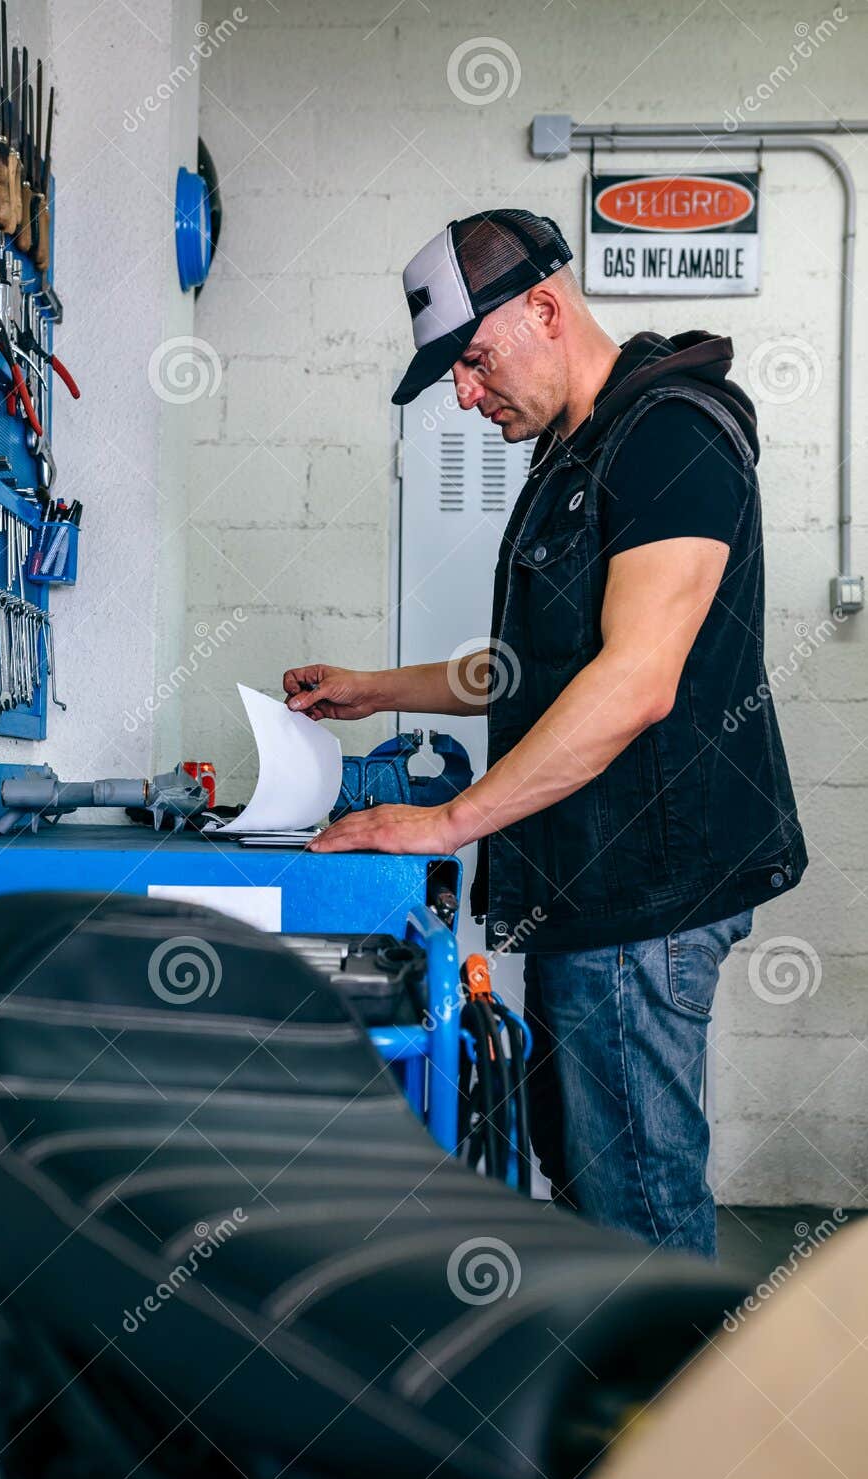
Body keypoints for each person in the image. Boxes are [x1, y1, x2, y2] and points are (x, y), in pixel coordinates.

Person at [282, 210, 806, 1258]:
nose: (465, 396)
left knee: (635, 1214)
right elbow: (535, 670)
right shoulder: (573, 451)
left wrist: (443, 824)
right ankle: (614, 1410)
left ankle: (673, 1416)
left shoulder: (668, 436)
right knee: (590, 1190)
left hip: (640, 897)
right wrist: (372, 690)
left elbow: (632, 684)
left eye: (473, 362)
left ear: (544, 308)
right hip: (583, 891)